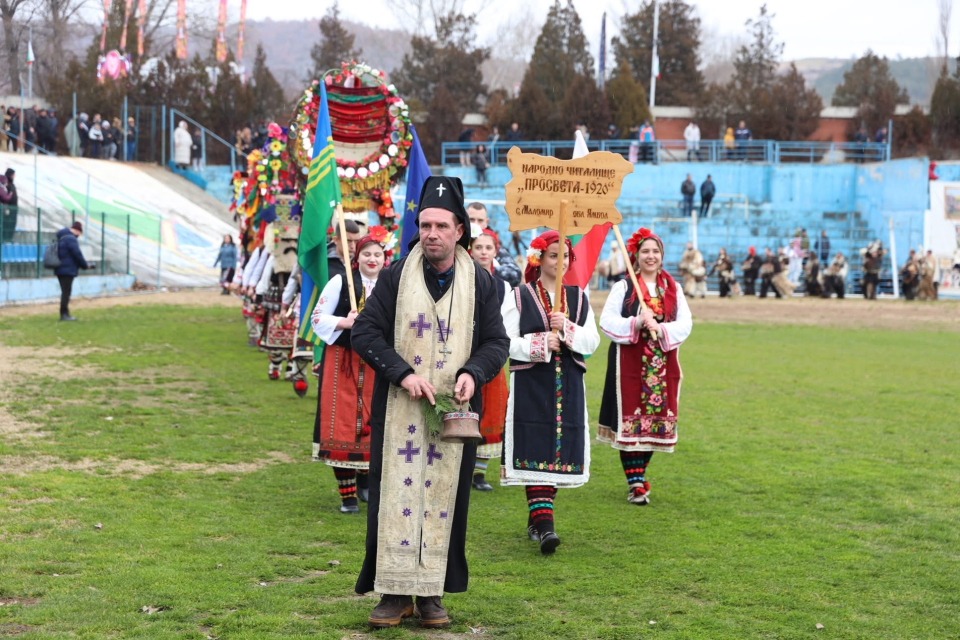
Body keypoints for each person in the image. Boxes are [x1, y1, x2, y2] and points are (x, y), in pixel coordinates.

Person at [350, 175, 509, 629]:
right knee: (393, 496)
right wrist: (402, 373)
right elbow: (364, 333)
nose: (432, 234)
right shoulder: (396, 275)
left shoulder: (481, 281)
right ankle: (394, 592)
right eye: (424, 225)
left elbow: (497, 342)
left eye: (441, 225)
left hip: (454, 413)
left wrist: (472, 373)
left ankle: (431, 594)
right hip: (399, 410)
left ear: (460, 229)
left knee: (447, 501)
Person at [501, 230, 600, 554]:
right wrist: (541, 342)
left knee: (558, 449)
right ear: (539, 258)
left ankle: (538, 516)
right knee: (534, 444)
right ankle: (545, 526)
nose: (561, 261)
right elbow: (504, 341)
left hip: (568, 384)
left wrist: (567, 329)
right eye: (554, 255)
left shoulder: (580, 297)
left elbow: (593, 342)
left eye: (566, 256)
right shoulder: (519, 296)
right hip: (532, 384)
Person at [598, 227, 692, 506]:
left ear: (662, 256)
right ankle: (635, 482)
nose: (650, 256)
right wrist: (636, 323)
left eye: (655, 251)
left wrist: (661, 329)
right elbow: (606, 321)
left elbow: (685, 324)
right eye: (645, 252)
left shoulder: (674, 288)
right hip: (629, 364)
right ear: (636, 256)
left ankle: (640, 475)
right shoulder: (624, 287)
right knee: (630, 421)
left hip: (662, 365)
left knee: (655, 422)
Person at [311, 225, 391, 513]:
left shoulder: (391, 285)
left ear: (385, 258)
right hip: (343, 360)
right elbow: (317, 318)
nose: (372, 259)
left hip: (376, 363)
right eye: (367, 254)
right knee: (342, 425)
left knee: (373, 422)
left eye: (377, 255)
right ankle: (347, 497)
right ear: (357, 257)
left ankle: (366, 485)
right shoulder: (340, 281)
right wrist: (346, 322)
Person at [468, 228, 511, 492]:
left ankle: (479, 473)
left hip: (490, 352)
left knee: (492, 410)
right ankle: (459, 465)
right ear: (470, 250)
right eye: (479, 247)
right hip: (462, 350)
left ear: (495, 251)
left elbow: (505, 322)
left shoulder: (503, 286)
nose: (483, 252)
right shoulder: (461, 277)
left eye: (488, 248)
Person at [466, 202, 521, 286]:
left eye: (480, 220)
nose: (476, 224)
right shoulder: (455, 244)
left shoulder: (494, 245)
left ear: (486, 222)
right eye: (471, 220)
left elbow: (515, 275)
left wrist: (487, 268)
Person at [54, 222, 92, 321]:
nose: (78, 236)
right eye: (79, 233)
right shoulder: (71, 239)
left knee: (64, 292)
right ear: (77, 230)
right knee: (66, 292)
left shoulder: (61, 237)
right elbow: (77, 254)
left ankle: (64, 313)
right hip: (67, 269)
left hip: (60, 268)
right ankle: (64, 314)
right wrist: (85, 265)